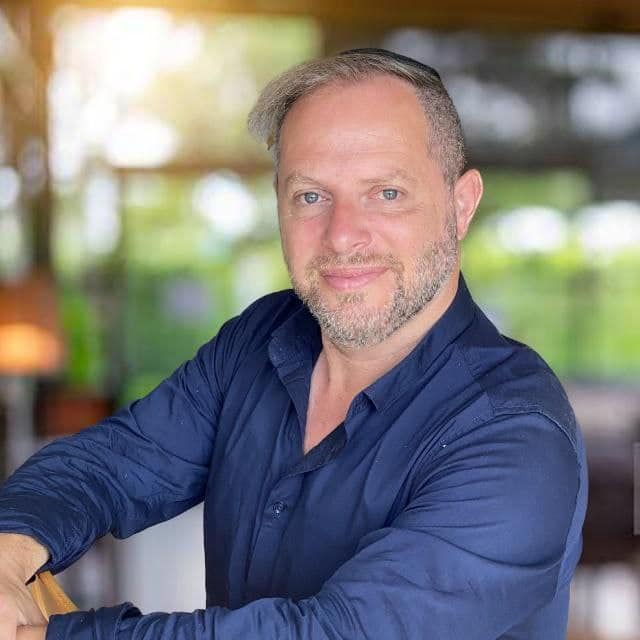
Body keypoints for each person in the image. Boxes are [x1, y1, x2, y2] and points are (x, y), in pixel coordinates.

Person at [0, 48, 587, 640]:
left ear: (461, 206)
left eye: (386, 193)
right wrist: (8, 555)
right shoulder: (260, 340)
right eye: (310, 195)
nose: (342, 234)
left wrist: (49, 636)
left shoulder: (516, 433)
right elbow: (109, 465)